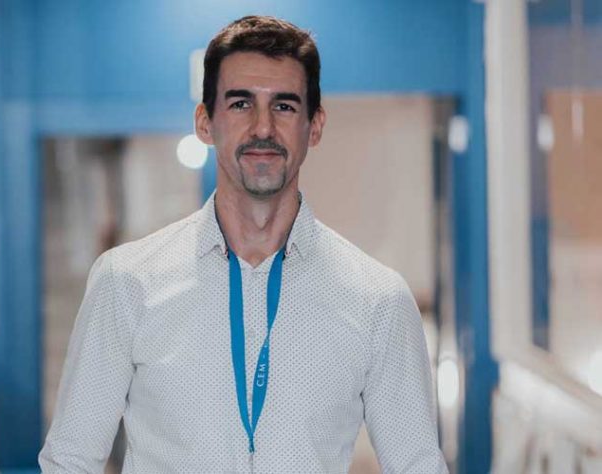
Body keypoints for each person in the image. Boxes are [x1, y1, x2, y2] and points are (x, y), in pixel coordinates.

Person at [39, 15, 448, 473]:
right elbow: (70, 460)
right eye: (240, 104)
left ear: (314, 126)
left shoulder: (378, 301)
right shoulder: (126, 283)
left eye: (284, 106)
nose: (262, 127)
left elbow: (417, 467)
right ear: (205, 123)